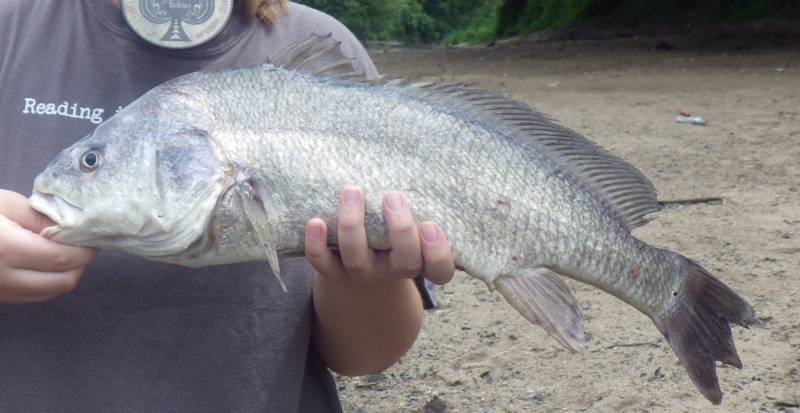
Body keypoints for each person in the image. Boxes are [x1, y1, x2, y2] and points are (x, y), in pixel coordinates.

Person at [0, 1, 455, 412]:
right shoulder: (10, 29)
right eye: (92, 162)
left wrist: (363, 278)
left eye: (91, 162)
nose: (83, 173)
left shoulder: (318, 49)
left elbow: (364, 357)